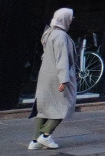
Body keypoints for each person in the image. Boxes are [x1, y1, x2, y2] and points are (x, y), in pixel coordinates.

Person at [30, 8, 76, 150]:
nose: (72, 19)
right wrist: (64, 80)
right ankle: (45, 136)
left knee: (44, 108)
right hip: (57, 76)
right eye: (71, 17)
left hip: (46, 74)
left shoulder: (49, 33)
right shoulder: (61, 36)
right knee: (63, 105)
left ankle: (35, 141)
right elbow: (62, 59)